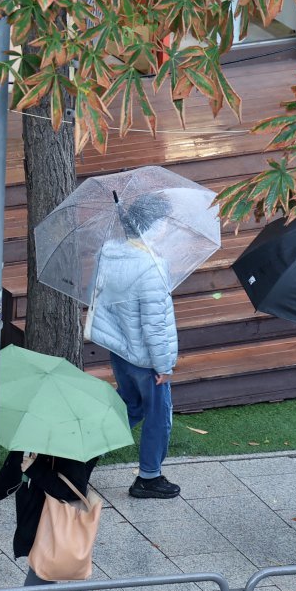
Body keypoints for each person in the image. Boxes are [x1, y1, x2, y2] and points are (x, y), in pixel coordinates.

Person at [87, 194, 181, 499]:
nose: (167, 228)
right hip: (146, 359)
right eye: (164, 223)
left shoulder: (109, 254)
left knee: (128, 406)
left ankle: (84, 452)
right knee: (158, 415)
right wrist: (164, 366)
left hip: (120, 351)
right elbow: (156, 325)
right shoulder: (151, 266)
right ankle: (149, 477)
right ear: (150, 226)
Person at [0, 451, 127, 591]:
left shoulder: (71, 447)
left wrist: (34, 468)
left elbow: (72, 492)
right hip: (39, 526)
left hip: (52, 530)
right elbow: (11, 470)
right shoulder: (35, 435)